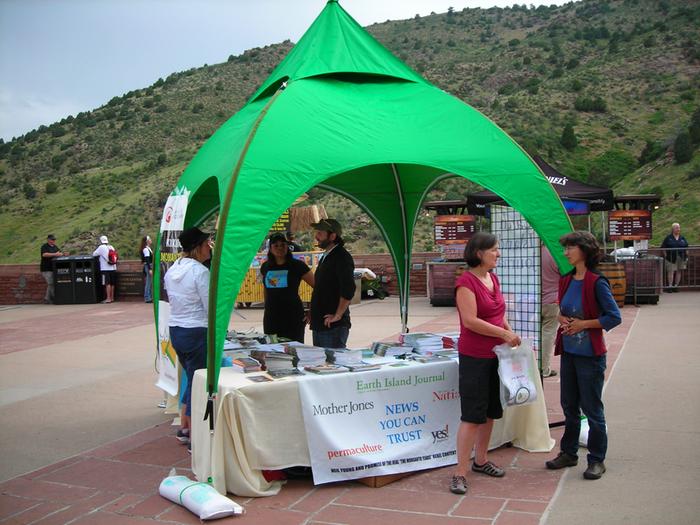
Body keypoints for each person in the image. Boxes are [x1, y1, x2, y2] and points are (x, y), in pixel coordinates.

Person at [545, 231, 621, 480]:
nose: (565, 253)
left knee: (592, 408)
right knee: (569, 405)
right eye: (565, 248)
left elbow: (613, 317)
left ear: (584, 250)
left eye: (570, 248)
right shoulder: (566, 279)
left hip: (590, 355)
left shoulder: (597, 282)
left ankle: (597, 459)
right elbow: (561, 309)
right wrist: (562, 318)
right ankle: (568, 453)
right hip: (569, 352)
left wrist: (583, 324)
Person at [450, 232, 521, 495]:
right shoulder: (466, 283)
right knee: (472, 415)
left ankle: (480, 460)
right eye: (494, 249)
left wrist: (510, 333)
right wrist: (504, 334)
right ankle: (459, 472)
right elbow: (470, 321)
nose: (498, 254)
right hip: (474, 357)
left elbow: (498, 314)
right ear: (479, 253)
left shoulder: (492, 278)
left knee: (490, 411)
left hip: (496, 356)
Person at [164, 227, 212, 450]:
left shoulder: (173, 269)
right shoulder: (200, 272)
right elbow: (209, 305)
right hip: (196, 331)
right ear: (198, 248)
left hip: (177, 328)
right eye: (207, 244)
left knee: (191, 377)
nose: (209, 247)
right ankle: (195, 433)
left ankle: (185, 425)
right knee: (199, 381)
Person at [308, 219, 356, 349]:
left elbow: (349, 288)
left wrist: (338, 314)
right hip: (320, 324)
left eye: (320, 233)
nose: (316, 236)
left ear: (333, 236)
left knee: (333, 365)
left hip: (333, 327)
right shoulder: (327, 255)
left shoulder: (341, 257)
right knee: (321, 366)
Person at [260, 232, 314, 342]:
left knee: (293, 351)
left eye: (283, 245)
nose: (280, 248)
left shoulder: (298, 265)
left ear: (287, 246)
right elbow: (266, 289)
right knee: (273, 350)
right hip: (271, 317)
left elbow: (318, 287)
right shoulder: (265, 267)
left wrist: (312, 311)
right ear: (270, 248)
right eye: (276, 245)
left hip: (293, 316)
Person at [540, 244, 561, 377]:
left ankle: (531, 365)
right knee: (548, 334)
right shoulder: (555, 252)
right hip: (553, 300)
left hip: (533, 300)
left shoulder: (531, 252)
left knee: (537, 334)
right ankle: (544, 369)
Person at [660, 222, 689, 292]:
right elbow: (663, 247)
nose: (678, 229)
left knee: (679, 271)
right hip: (670, 258)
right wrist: (666, 255)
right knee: (671, 272)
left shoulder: (682, 238)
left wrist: (687, 256)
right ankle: (670, 286)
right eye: (677, 228)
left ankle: (676, 286)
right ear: (673, 229)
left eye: (679, 228)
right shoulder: (668, 238)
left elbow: (687, 247)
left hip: (681, 257)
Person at [40, 234, 68, 304]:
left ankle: (47, 299)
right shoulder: (44, 246)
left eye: (54, 240)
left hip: (54, 268)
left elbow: (59, 253)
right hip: (46, 268)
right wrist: (55, 254)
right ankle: (53, 298)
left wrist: (63, 254)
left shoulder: (55, 247)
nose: (53, 241)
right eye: (52, 240)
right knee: (51, 283)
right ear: (48, 240)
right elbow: (44, 254)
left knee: (52, 283)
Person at [93, 235, 117, 303]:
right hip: (113, 267)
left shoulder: (101, 247)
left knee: (107, 283)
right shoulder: (111, 246)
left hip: (105, 268)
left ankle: (108, 298)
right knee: (112, 283)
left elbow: (94, 254)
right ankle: (112, 298)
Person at [140, 235, 154, 303]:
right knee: (148, 282)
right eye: (150, 239)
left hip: (149, 265)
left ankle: (149, 296)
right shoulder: (146, 249)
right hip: (148, 266)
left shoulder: (148, 248)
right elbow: (147, 259)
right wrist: (150, 268)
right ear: (147, 241)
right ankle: (147, 297)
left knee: (150, 282)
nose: (151, 240)